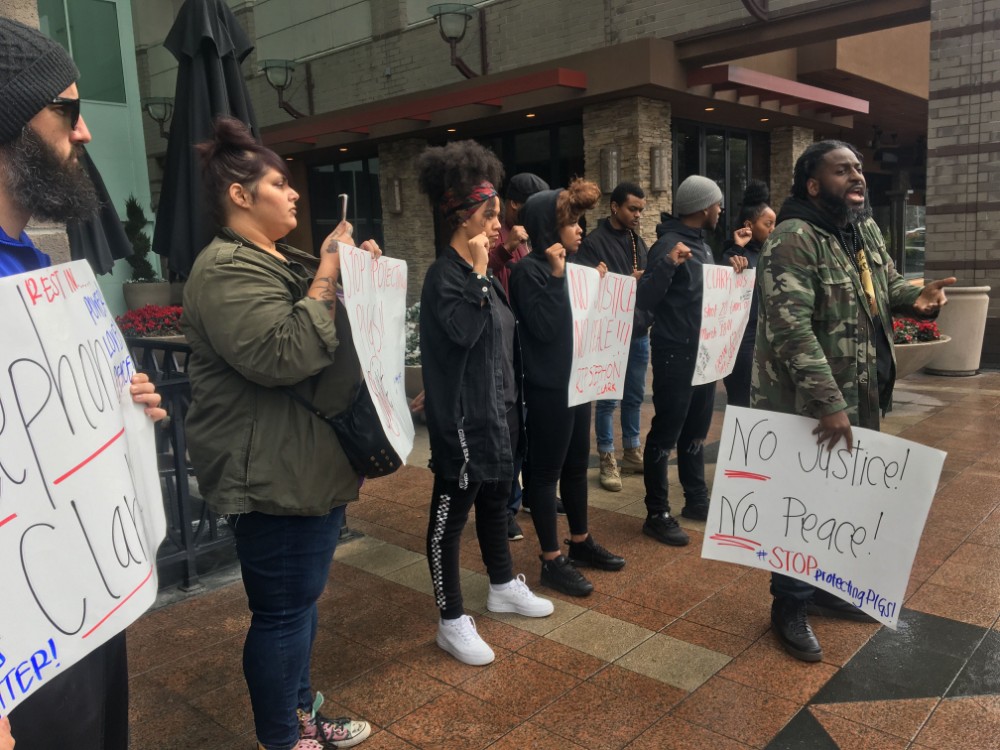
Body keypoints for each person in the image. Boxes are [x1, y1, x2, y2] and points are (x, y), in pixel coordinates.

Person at [182, 117, 373, 750]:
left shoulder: (275, 260)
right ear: (240, 195)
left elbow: (327, 333)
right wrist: (325, 275)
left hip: (303, 460)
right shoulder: (224, 270)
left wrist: (360, 282)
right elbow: (280, 354)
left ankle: (301, 713)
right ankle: (281, 738)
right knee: (283, 612)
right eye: (279, 183)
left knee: (300, 604)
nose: (293, 195)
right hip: (268, 471)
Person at [0, 18, 165, 750]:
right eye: (66, 111)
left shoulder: (40, 269)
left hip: (84, 607)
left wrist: (119, 411)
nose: (86, 133)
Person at [754, 140, 955, 663]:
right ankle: (789, 606)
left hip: (858, 396)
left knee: (838, 500)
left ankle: (820, 590)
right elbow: (790, 329)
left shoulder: (860, 229)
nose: (857, 176)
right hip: (804, 405)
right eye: (843, 171)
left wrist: (918, 295)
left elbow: (884, 283)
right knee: (801, 505)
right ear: (814, 184)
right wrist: (829, 402)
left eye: (859, 168)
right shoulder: (793, 239)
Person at [416, 141, 553, 666]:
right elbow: (463, 333)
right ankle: (451, 620)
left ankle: (501, 586)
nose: (499, 223)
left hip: (498, 417)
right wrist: (478, 272)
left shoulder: (485, 273)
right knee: (449, 522)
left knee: (498, 503)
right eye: (489, 213)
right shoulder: (447, 275)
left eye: (498, 212)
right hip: (464, 425)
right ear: (461, 213)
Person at [510, 179, 627, 597]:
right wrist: (561, 278)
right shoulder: (528, 271)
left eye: (580, 221)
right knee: (544, 475)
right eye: (572, 222)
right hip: (548, 390)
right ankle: (550, 559)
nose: (580, 229)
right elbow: (541, 328)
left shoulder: (572, 269)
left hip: (579, 382)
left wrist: (591, 284)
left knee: (578, 467)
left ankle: (579, 542)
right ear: (548, 227)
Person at [636, 175, 749, 546]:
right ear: (703, 207)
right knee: (666, 432)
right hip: (676, 354)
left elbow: (704, 295)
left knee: (696, 431)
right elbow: (645, 300)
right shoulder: (669, 245)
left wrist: (732, 264)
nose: (720, 209)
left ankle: (696, 500)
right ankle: (657, 513)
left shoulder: (701, 245)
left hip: (704, 353)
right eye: (717, 203)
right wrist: (667, 264)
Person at [575, 181, 651, 492]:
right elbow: (584, 286)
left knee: (634, 396)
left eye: (641, 210)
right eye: (632, 209)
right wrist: (617, 280)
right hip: (609, 333)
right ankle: (607, 456)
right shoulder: (593, 243)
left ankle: (632, 450)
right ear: (614, 207)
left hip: (638, 329)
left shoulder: (638, 241)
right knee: (608, 400)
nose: (637, 215)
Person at [486, 172, 549, 541]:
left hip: (526, 344)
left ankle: (524, 497)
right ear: (515, 206)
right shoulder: (504, 237)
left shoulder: (528, 238)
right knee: (510, 430)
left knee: (527, 430)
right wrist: (506, 247)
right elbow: (481, 271)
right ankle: (507, 507)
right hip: (505, 348)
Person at [721, 180, 775, 407]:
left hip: (768, 340)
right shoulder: (734, 257)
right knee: (742, 403)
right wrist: (737, 250)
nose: (773, 229)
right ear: (749, 225)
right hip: (742, 343)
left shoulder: (772, 254)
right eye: (768, 224)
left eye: (775, 224)